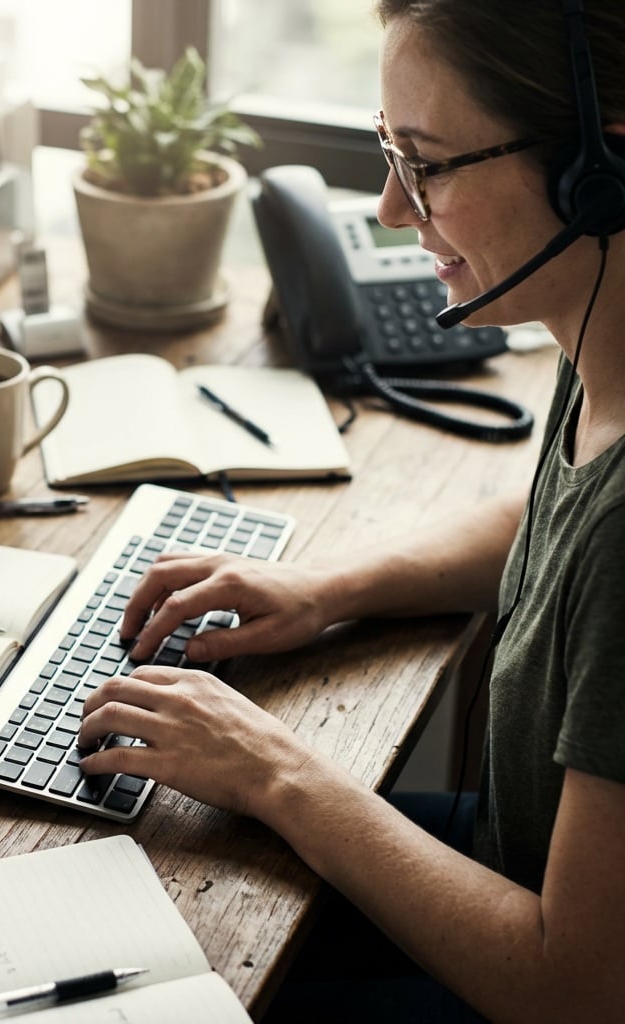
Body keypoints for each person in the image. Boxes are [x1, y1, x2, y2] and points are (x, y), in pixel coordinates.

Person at [77, 1, 625, 1020]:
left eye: (425, 162)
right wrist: (328, 584)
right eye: (387, 151)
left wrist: (280, 772)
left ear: (597, 174)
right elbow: (554, 521)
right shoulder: (601, 329)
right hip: (523, 862)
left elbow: (578, 987)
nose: (386, 208)